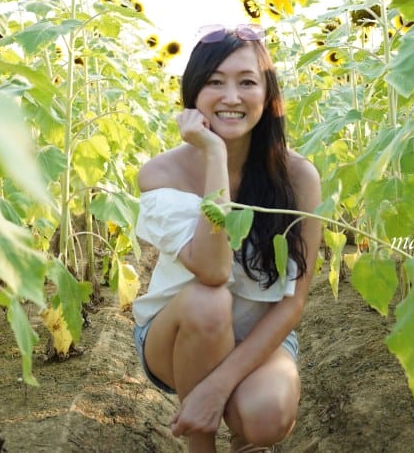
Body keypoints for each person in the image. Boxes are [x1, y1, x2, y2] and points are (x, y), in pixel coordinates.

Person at [131, 24, 322, 453]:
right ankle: (199, 445)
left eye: (247, 82)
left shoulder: (298, 177)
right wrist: (215, 153)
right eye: (215, 82)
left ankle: (244, 439)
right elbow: (213, 270)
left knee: (266, 415)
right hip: (176, 336)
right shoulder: (162, 173)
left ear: (268, 96)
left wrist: (218, 386)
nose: (231, 97)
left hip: (259, 336)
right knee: (208, 299)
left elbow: (293, 302)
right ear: (193, 94)